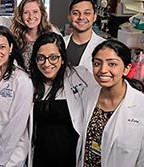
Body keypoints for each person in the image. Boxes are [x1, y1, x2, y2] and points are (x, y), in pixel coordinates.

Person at [29, 32, 95, 167]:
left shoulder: (79, 77)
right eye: (41, 58)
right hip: (40, 158)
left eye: (53, 57)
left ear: (63, 58)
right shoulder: (31, 84)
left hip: (70, 158)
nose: (47, 64)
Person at [78, 40, 144, 167]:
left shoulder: (141, 106)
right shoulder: (87, 95)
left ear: (126, 69)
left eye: (112, 64)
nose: (103, 70)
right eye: (97, 63)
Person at [0, 25, 33, 166]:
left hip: (9, 156)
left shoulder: (22, 81)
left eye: (2, 47)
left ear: (10, 48)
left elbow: (16, 126)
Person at [11, 0, 60, 71]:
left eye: (35, 11)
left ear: (42, 13)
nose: (31, 16)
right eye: (26, 12)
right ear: (21, 15)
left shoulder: (52, 34)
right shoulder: (15, 36)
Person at [64, 0, 105, 72]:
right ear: (69, 17)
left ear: (95, 17)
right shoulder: (61, 44)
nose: (81, 17)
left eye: (87, 13)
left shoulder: (104, 47)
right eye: (75, 13)